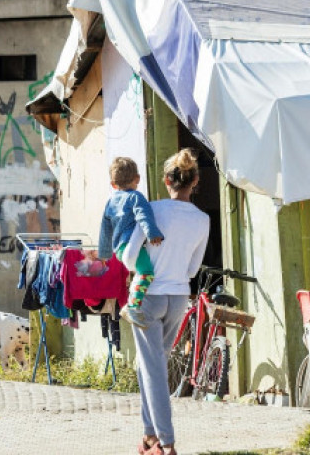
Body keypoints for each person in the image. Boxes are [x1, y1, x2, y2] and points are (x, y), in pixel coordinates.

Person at [123, 149, 210, 455]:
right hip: (177, 298)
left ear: (166, 180)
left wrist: (146, 266)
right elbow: (192, 269)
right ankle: (149, 436)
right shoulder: (203, 219)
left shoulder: (152, 210)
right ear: (195, 181)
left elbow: (129, 256)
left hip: (147, 296)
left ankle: (166, 441)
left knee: (154, 369)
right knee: (150, 365)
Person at [98, 157, 165, 329]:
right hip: (133, 245)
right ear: (137, 179)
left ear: (113, 184)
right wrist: (153, 234)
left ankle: (135, 302)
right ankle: (133, 306)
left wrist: (104, 255)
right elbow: (144, 216)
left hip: (120, 250)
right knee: (147, 273)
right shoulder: (136, 197)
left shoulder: (110, 202)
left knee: (140, 273)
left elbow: (105, 229)